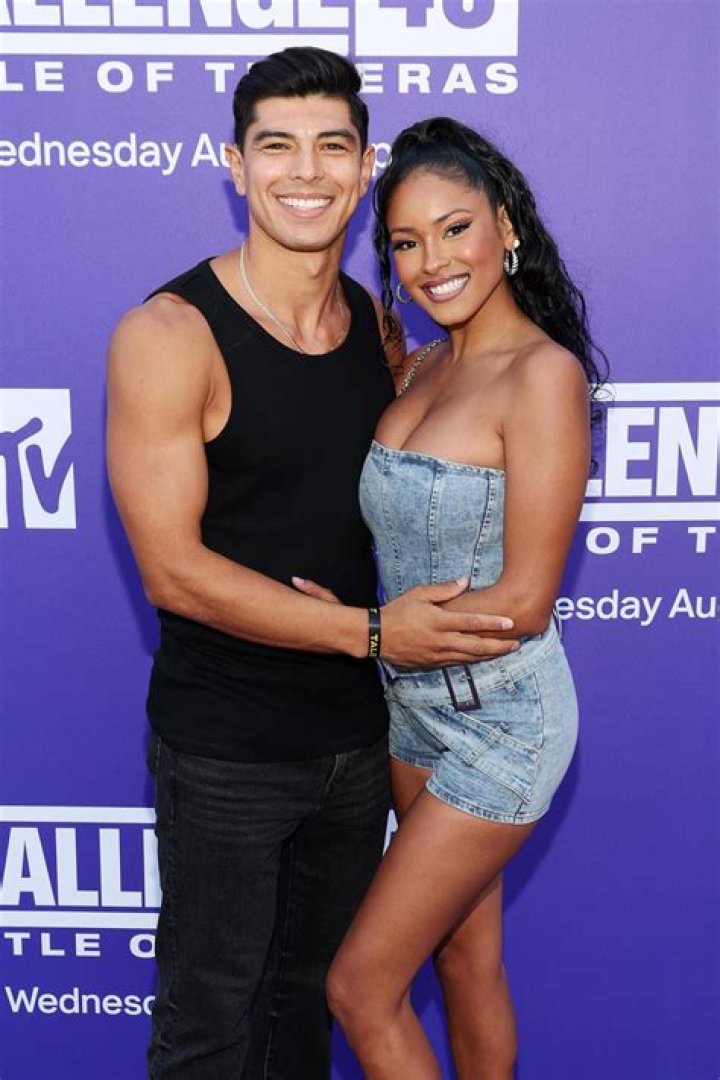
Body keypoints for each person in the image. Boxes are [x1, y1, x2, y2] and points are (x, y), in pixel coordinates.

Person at [106, 55, 518, 1078]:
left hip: (357, 745)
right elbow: (172, 572)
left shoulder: (379, 330)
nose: (305, 171)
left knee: (306, 1024)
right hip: (226, 750)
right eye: (276, 146)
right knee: (210, 1030)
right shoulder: (169, 335)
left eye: (332, 146)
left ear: (365, 167)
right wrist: (372, 632)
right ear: (235, 165)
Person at [296, 117, 607, 1078]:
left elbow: (526, 599)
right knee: (465, 961)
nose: (433, 262)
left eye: (455, 229)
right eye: (406, 242)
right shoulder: (423, 365)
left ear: (505, 227)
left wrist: (365, 632)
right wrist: (356, 617)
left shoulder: (543, 376)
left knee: (359, 989)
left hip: (503, 719)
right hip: (412, 711)